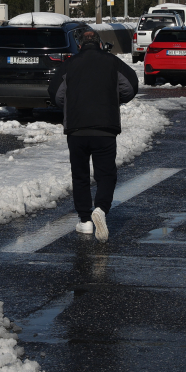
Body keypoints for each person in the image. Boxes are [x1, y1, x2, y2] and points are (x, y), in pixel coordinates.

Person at [48, 30, 139, 242]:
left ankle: (85, 220)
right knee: (106, 174)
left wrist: (72, 105)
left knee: (80, 175)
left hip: (77, 129)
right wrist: (113, 99)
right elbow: (131, 86)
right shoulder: (113, 62)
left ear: (79, 45)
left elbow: (55, 93)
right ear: (99, 44)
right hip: (105, 128)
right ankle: (101, 208)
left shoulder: (70, 64)